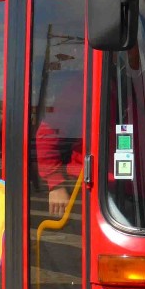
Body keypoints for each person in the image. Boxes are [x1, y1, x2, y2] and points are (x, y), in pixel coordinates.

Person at [36, 69, 84, 219]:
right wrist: (56, 183)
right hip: (90, 187)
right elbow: (47, 133)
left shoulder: (141, 78)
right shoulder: (84, 83)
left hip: (135, 188)